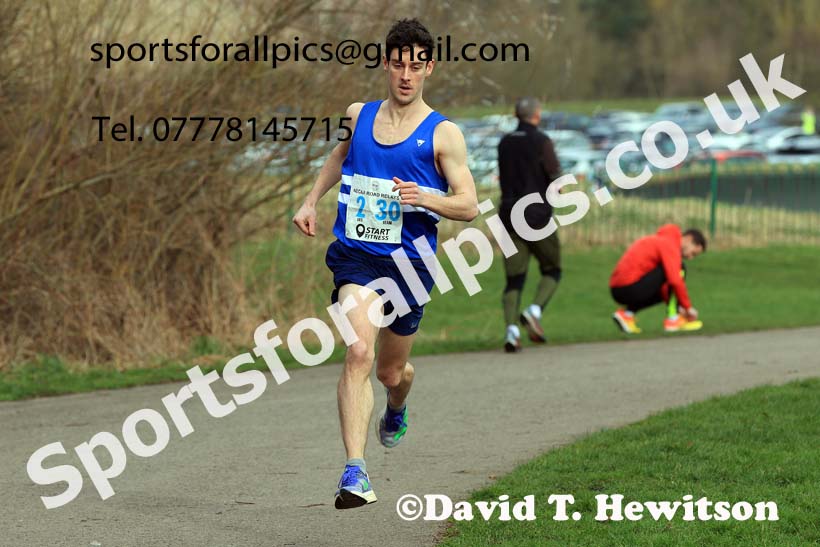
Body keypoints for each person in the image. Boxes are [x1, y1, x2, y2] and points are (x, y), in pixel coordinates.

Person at [292, 18, 478, 510]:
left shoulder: (444, 135)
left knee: (391, 373)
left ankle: (397, 405)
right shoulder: (358, 114)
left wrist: (430, 198)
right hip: (356, 255)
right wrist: (311, 200)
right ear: (385, 63)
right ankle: (355, 472)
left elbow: (470, 205)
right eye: (399, 64)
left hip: (410, 266)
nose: (406, 76)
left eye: (416, 67)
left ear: (429, 69)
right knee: (357, 352)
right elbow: (339, 156)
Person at [497, 97, 562, 352]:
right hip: (537, 215)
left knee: (514, 278)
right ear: (537, 114)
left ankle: (511, 332)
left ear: (516, 114)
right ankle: (534, 311)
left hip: (508, 214)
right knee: (552, 269)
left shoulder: (504, 143)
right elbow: (555, 176)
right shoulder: (542, 141)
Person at [610, 225, 706, 334]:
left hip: (619, 288)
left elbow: (665, 290)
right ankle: (673, 319)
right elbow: (675, 280)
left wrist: (680, 308)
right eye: (693, 253)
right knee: (679, 269)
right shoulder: (670, 244)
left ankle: (626, 315)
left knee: (665, 285)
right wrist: (688, 308)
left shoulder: (663, 240)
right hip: (628, 287)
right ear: (688, 239)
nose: (690, 258)